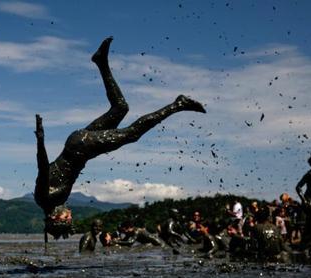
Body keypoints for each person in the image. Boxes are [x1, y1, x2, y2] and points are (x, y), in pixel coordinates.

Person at [34, 37, 206, 239]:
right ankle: (101, 62)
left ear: (58, 217)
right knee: (121, 108)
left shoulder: (46, 197)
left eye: (68, 217)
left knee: (132, 134)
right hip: (80, 145)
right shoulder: (52, 201)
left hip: (82, 146)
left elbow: (43, 168)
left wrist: (41, 140)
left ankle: (178, 104)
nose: (71, 214)